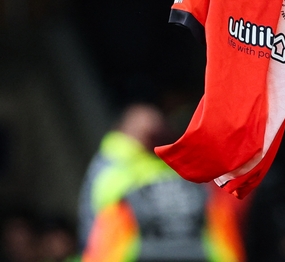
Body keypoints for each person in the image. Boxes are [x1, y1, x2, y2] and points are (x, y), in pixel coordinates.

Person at [77, 103, 247, 261]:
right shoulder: (112, 168)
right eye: (151, 133)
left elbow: (215, 218)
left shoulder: (163, 163)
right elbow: (100, 230)